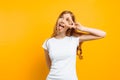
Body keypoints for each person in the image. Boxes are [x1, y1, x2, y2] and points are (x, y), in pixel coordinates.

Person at [42, 10, 106, 80]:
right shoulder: (48, 42)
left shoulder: (74, 39)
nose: (63, 21)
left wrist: (83, 28)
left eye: (67, 19)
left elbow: (102, 34)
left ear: (70, 25)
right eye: (61, 17)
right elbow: (50, 66)